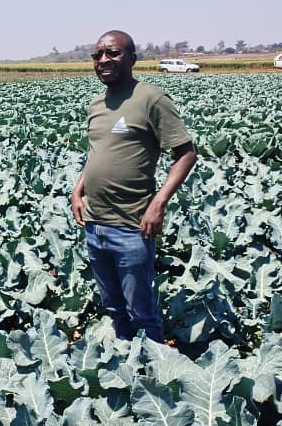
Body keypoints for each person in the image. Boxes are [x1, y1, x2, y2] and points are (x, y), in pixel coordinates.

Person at [70, 30, 198, 342]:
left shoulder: (151, 99)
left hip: (131, 226)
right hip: (95, 224)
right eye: (97, 55)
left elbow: (186, 154)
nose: (103, 60)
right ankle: (126, 370)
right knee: (113, 307)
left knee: (141, 312)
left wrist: (158, 204)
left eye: (112, 53)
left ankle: (151, 379)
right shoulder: (96, 105)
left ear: (132, 59)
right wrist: (78, 188)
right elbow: (99, 152)